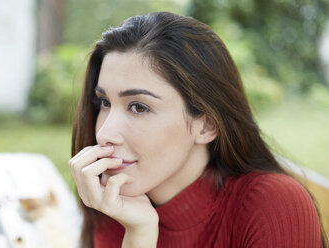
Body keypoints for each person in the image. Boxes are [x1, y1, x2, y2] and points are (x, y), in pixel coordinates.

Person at [69, 12, 327, 248]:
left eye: (138, 107)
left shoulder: (273, 206)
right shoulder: (113, 202)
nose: (104, 134)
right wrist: (139, 234)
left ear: (206, 125)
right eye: (104, 102)